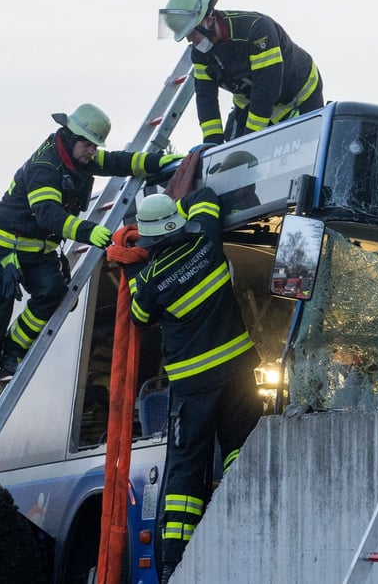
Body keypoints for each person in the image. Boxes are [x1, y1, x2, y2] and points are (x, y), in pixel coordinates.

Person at [0, 103, 182, 421]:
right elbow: (48, 213)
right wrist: (87, 231)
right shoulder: (45, 167)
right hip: (2, 249)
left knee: (53, 292)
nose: (91, 151)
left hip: (37, 249)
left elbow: (122, 161)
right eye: (87, 144)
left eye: (95, 145)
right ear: (69, 136)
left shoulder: (81, 157)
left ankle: (13, 349)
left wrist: (164, 163)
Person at [125, 189, 262, 581]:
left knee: (187, 468)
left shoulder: (151, 279)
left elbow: (138, 316)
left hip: (193, 387)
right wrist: (179, 205)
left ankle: (174, 563)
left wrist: (131, 266)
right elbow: (205, 195)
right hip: (238, 372)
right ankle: (243, 516)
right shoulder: (206, 239)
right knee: (242, 446)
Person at [158, 0, 323, 144]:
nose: (189, 40)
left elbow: (267, 88)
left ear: (208, 21)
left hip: (299, 90)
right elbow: (205, 98)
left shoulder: (256, 30)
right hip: (251, 98)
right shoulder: (200, 54)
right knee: (233, 148)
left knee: (308, 145)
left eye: (191, 33)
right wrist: (211, 142)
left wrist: (250, 138)